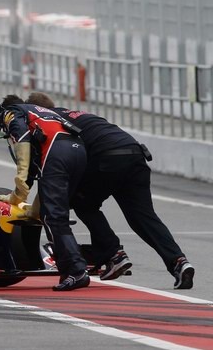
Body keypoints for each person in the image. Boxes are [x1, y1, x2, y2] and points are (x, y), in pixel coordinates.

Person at [26, 92, 194, 289]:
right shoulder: (77, 113)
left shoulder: (47, 122)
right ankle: (178, 262)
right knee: (143, 217)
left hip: (106, 158)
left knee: (83, 204)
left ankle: (114, 254)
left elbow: (53, 169)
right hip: (135, 154)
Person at [0, 94, 89, 291]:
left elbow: (21, 139)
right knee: (52, 212)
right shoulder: (42, 113)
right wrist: (20, 199)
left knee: (54, 218)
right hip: (79, 152)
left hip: (57, 153)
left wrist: (19, 185)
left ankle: (76, 270)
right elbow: (35, 174)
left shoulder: (11, 111)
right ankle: (73, 267)